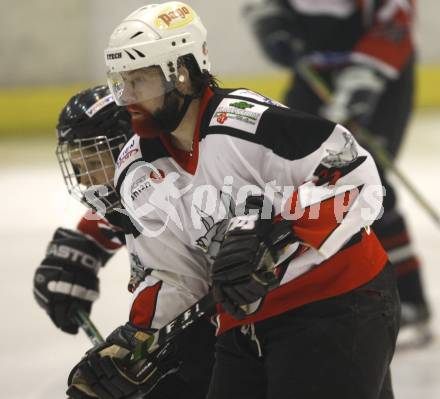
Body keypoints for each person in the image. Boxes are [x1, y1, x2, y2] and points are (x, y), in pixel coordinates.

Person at [66, 2, 400, 398]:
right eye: (122, 82)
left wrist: (279, 230)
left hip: (339, 303)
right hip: (243, 321)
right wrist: (138, 341)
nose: (127, 98)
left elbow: (357, 177)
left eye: (140, 81)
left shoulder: (247, 123)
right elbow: (174, 274)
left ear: (183, 75)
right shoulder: (137, 166)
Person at [247, 0, 431, 334]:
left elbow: (397, 14)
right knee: (292, 175)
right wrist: (270, 22)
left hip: (378, 75)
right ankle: (320, 293)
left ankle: (409, 297)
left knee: (366, 180)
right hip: (313, 72)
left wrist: (365, 79)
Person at [33, 85, 215, 399]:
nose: (82, 178)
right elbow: (113, 218)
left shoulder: (173, 196)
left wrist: (132, 346)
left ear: (126, 148)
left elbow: (178, 287)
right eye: (77, 166)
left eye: (91, 160)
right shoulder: (138, 191)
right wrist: (81, 247)